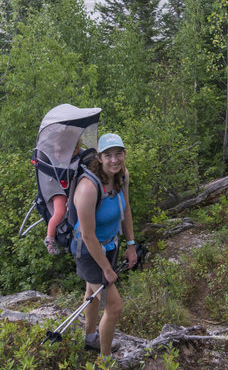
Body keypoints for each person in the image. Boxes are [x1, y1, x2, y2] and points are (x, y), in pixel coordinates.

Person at [72, 132, 137, 361]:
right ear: (99, 157)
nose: (114, 160)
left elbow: (126, 210)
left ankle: (90, 338)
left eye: (118, 153)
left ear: (124, 154)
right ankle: (105, 360)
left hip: (111, 245)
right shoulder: (88, 188)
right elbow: (88, 236)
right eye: (108, 155)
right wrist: (107, 270)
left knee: (92, 292)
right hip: (89, 251)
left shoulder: (122, 176)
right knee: (115, 306)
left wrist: (130, 245)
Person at [43, 141, 82, 255]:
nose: (58, 154)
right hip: (58, 189)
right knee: (60, 212)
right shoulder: (56, 162)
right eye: (56, 151)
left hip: (70, 188)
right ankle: (50, 238)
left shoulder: (76, 159)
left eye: (61, 151)